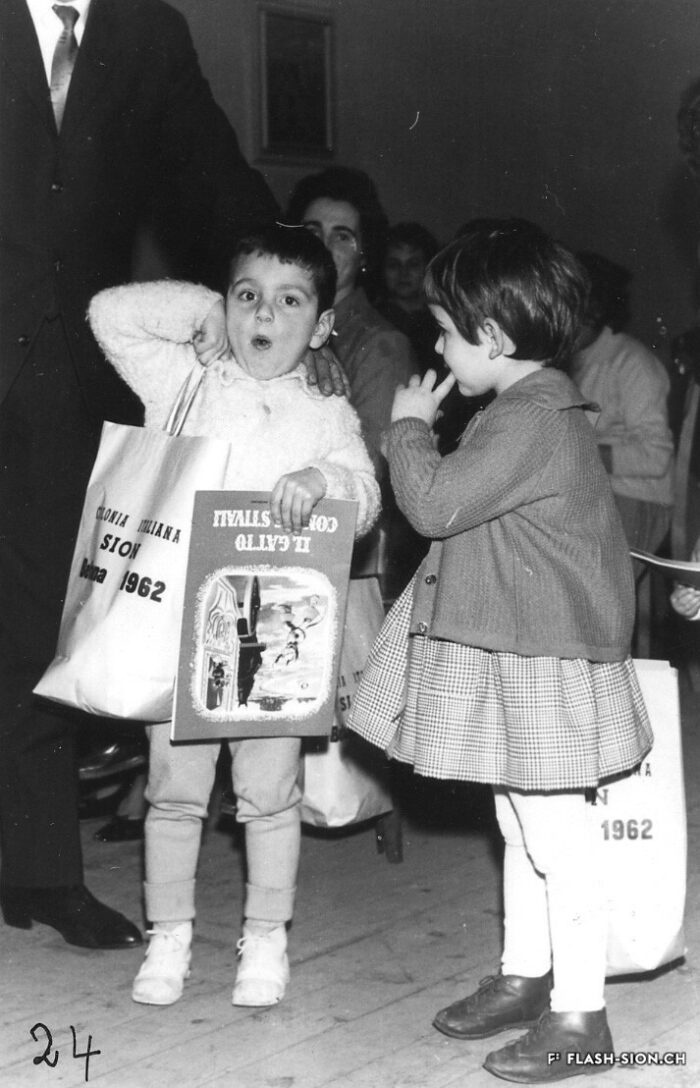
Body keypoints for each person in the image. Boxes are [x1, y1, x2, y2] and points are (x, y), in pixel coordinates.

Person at [0, 0, 278, 947]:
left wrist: (285, 304)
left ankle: (40, 872)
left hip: (65, 375)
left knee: (41, 623)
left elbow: (215, 180)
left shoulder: (144, 31)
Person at [347, 220, 653, 1082]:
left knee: (557, 837)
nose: (439, 347)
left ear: (492, 336)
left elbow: (436, 506)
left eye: (446, 331)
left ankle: (582, 1015)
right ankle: (527, 974)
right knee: (519, 824)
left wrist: (408, 430)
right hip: (517, 645)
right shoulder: (525, 408)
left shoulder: (533, 417)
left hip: (541, 655)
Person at [87, 225, 380, 1007]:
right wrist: (202, 313)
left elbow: (365, 496)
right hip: (179, 631)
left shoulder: (327, 412)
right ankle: (170, 934)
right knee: (173, 791)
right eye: (247, 296)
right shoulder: (184, 380)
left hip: (274, 635)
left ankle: (266, 937)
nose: (264, 315)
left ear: (321, 324)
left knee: (270, 794)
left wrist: (323, 480)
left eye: (289, 302)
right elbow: (110, 314)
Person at [286, 167, 421, 598]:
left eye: (342, 236)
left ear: (364, 255)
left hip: (338, 556)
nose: (323, 245)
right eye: (312, 231)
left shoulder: (380, 344)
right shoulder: (273, 322)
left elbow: (368, 471)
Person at [568, 251, 674, 565]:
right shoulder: (571, 361)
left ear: (593, 311)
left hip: (637, 499)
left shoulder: (632, 363)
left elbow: (656, 456)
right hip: (594, 493)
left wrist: (580, 452)